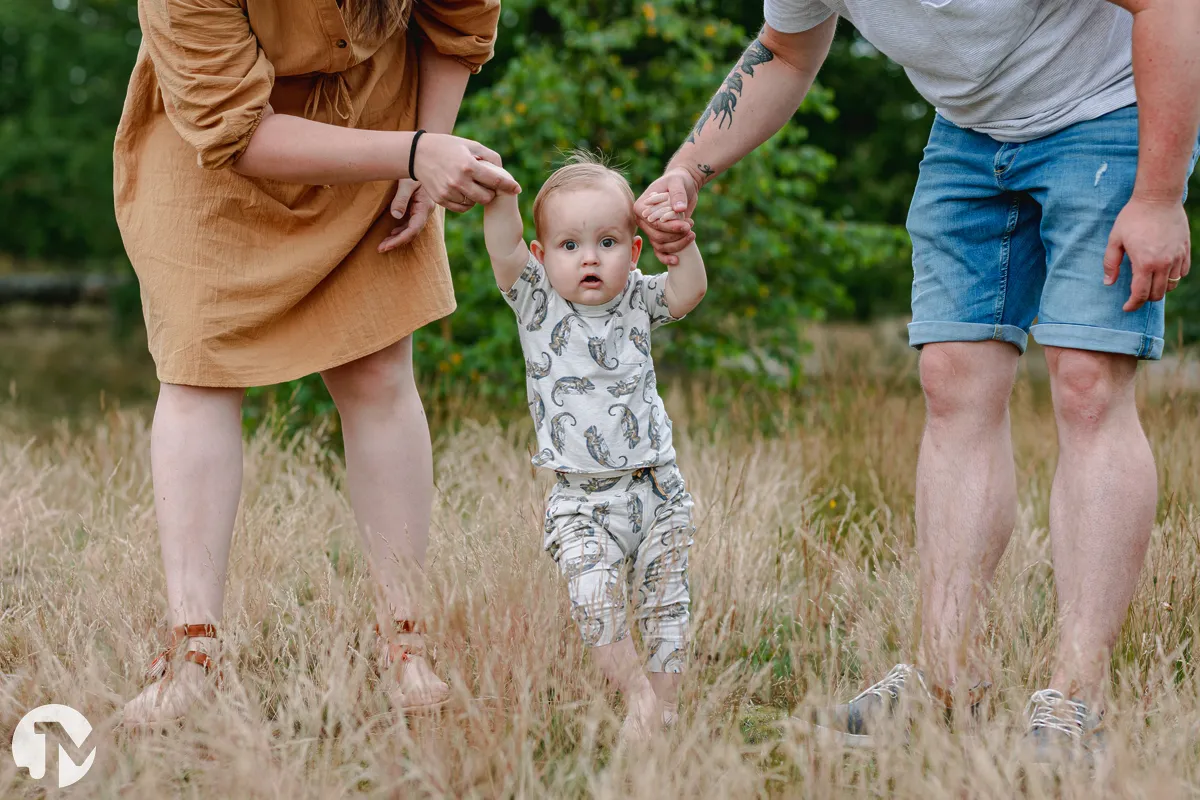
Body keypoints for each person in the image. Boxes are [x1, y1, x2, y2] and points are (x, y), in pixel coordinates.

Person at [635, 0, 1200, 762]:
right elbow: (788, 51)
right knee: (951, 381)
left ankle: (1076, 694)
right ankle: (944, 677)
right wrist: (685, 169)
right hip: (970, 133)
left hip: (1107, 109)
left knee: (1088, 383)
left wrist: (1159, 195)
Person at [113, 0, 519, 727]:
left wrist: (427, 153)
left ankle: (405, 644)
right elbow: (236, 130)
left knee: (377, 374)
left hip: (380, 119)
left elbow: (460, 22)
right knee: (200, 372)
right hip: (216, 151)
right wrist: (415, 151)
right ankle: (192, 653)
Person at [482, 152, 707, 741]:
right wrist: (501, 193)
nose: (589, 257)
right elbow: (503, 249)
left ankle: (664, 709)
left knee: (665, 607)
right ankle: (636, 697)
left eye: (607, 242)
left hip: (656, 490)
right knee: (593, 598)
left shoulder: (636, 297)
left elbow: (687, 293)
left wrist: (678, 245)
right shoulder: (536, 304)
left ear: (632, 252)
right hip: (580, 499)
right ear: (541, 256)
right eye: (569, 245)